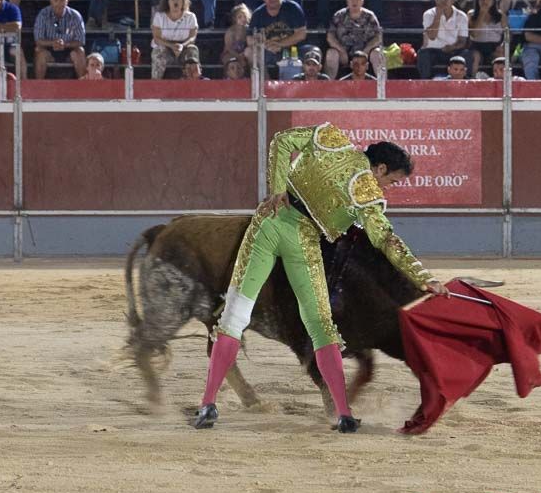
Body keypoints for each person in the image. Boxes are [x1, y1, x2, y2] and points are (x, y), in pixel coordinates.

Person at [190, 125, 447, 432]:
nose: (388, 188)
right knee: (322, 325)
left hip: (268, 224)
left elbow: (282, 141)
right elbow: (385, 239)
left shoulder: (331, 139)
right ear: (380, 167)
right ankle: (343, 414)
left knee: (234, 315)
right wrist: (422, 276)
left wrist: (278, 189)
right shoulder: (366, 189)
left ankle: (207, 405)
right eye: (390, 181)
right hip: (302, 240)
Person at [247, 0, 306, 78]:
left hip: (293, 50)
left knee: (312, 53)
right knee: (249, 52)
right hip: (268, 50)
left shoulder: (293, 8)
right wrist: (266, 45)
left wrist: (280, 44)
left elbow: (301, 34)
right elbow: (249, 40)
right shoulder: (258, 14)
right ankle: (265, 85)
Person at [325, 0, 384, 78]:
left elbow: (378, 37)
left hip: (366, 52)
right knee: (331, 54)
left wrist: (366, 51)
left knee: (378, 54)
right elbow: (330, 36)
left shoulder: (370, 16)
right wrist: (341, 50)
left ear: (362, 0)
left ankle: (384, 86)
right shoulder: (339, 15)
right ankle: (328, 87)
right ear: (347, 0)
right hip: (344, 54)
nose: (354, 1)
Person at [33, 0, 89, 79]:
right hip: (49, 49)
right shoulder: (43, 14)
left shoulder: (75, 16)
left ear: (67, 0)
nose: (59, 3)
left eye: (62, 0)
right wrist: (53, 43)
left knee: (80, 51)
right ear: (51, 0)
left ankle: (83, 86)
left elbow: (81, 40)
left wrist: (65, 44)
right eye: (55, 0)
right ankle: (39, 86)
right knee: (39, 52)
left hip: (69, 49)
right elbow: (38, 40)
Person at [418, 0, 469, 78]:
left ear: (453, 0)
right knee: (423, 54)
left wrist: (453, 47)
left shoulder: (462, 16)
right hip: (433, 51)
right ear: (436, 0)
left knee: (467, 54)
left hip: (453, 50)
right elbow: (432, 36)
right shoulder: (428, 14)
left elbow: (462, 41)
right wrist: (438, 15)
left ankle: (467, 82)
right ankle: (426, 84)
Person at [150, 0, 198, 79]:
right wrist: (172, 46)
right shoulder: (159, 16)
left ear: (183, 0)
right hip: (166, 47)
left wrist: (182, 46)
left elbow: (192, 37)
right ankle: (155, 84)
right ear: (167, 1)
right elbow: (157, 38)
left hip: (184, 47)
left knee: (192, 50)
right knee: (158, 51)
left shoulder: (190, 17)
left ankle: (193, 82)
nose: (175, 0)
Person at [467, 0, 506, 74]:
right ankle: (471, 79)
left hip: (495, 46)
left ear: (493, 0)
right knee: (475, 57)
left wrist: (502, 46)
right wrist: (482, 13)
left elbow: (507, 34)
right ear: (477, 0)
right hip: (477, 46)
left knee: (500, 56)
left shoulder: (501, 15)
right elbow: (474, 34)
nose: (485, 1)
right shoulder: (471, 14)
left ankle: (500, 81)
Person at [221, 3, 251, 77]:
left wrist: (242, 55)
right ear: (235, 19)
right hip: (230, 53)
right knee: (232, 62)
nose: (242, 19)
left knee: (247, 60)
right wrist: (238, 56)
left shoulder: (248, 30)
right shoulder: (231, 31)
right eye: (239, 17)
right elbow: (228, 48)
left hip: (243, 53)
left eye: (244, 16)